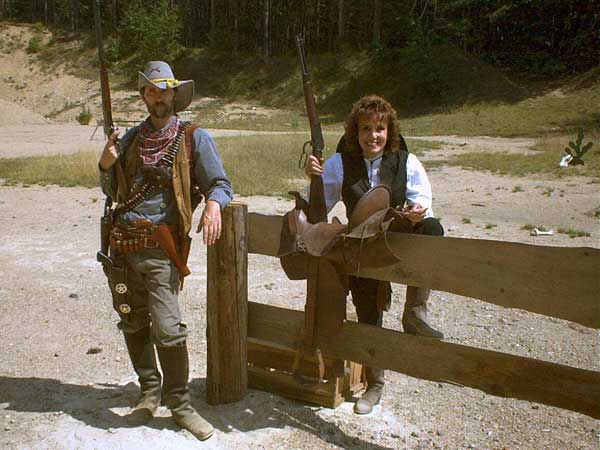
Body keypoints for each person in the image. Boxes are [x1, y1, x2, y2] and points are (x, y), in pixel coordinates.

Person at [98, 61, 233, 440]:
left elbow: (220, 183)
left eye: (164, 89)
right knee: (131, 319)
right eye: (151, 90)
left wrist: (214, 205)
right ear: (144, 95)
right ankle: (149, 394)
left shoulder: (193, 138)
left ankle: (180, 405)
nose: (158, 96)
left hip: (162, 248)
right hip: (123, 247)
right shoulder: (128, 140)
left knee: (169, 329)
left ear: (175, 94)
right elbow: (112, 192)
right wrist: (105, 164)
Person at [304, 94, 444, 415]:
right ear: (355, 132)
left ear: (389, 131)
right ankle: (374, 383)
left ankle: (415, 312)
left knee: (433, 230)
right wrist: (314, 179)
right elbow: (317, 212)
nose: (373, 136)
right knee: (369, 315)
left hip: (397, 239)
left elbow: (424, 206)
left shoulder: (407, 162)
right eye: (365, 128)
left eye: (379, 128)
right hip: (363, 248)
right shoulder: (340, 163)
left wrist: (417, 214)